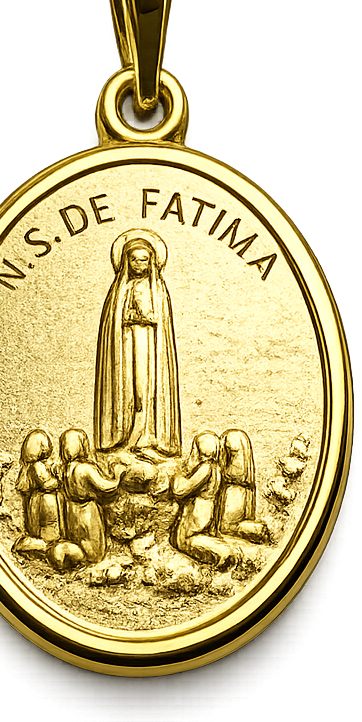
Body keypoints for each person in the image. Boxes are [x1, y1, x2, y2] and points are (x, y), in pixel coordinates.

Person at [94, 229, 181, 458]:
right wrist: (128, 319)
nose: (139, 264)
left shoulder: (158, 290)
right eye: (134, 259)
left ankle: (147, 435)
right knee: (129, 388)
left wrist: (146, 319)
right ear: (126, 261)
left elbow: (161, 322)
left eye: (144, 259)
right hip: (125, 346)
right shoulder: (119, 290)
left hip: (149, 346)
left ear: (152, 261)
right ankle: (124, 434)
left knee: (145, 388)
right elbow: (113, 324)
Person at [170, 433, 234, 569]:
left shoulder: (205, 468)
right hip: (204, 509)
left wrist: (177, 476)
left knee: (184, 540)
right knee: (180, 540)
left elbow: (180, 490)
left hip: (198, 512)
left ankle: (222, 552)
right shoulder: (215, 467)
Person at [59, 429, 124, 563]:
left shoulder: (66, 469)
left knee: (78, 542)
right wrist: (118, 475)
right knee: (95, 553)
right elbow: (105, 486)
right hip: (87, 512)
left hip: (72, 512)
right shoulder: (84, 469)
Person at [12, 430, 64, 555]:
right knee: (47, 525)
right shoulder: (38, 466)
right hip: (44, 501)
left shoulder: (30, 466)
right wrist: (59, 481)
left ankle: (39, 542)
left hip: (36, 500)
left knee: (36, 524)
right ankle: (44, 545)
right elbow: (46, 484)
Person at [217, 429, 269, 543]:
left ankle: (258, 530)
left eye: (232, 451)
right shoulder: (237, 441)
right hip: (238, 491)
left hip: (236, 492)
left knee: (226, 526)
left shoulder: (233, 441)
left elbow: (237, 473)